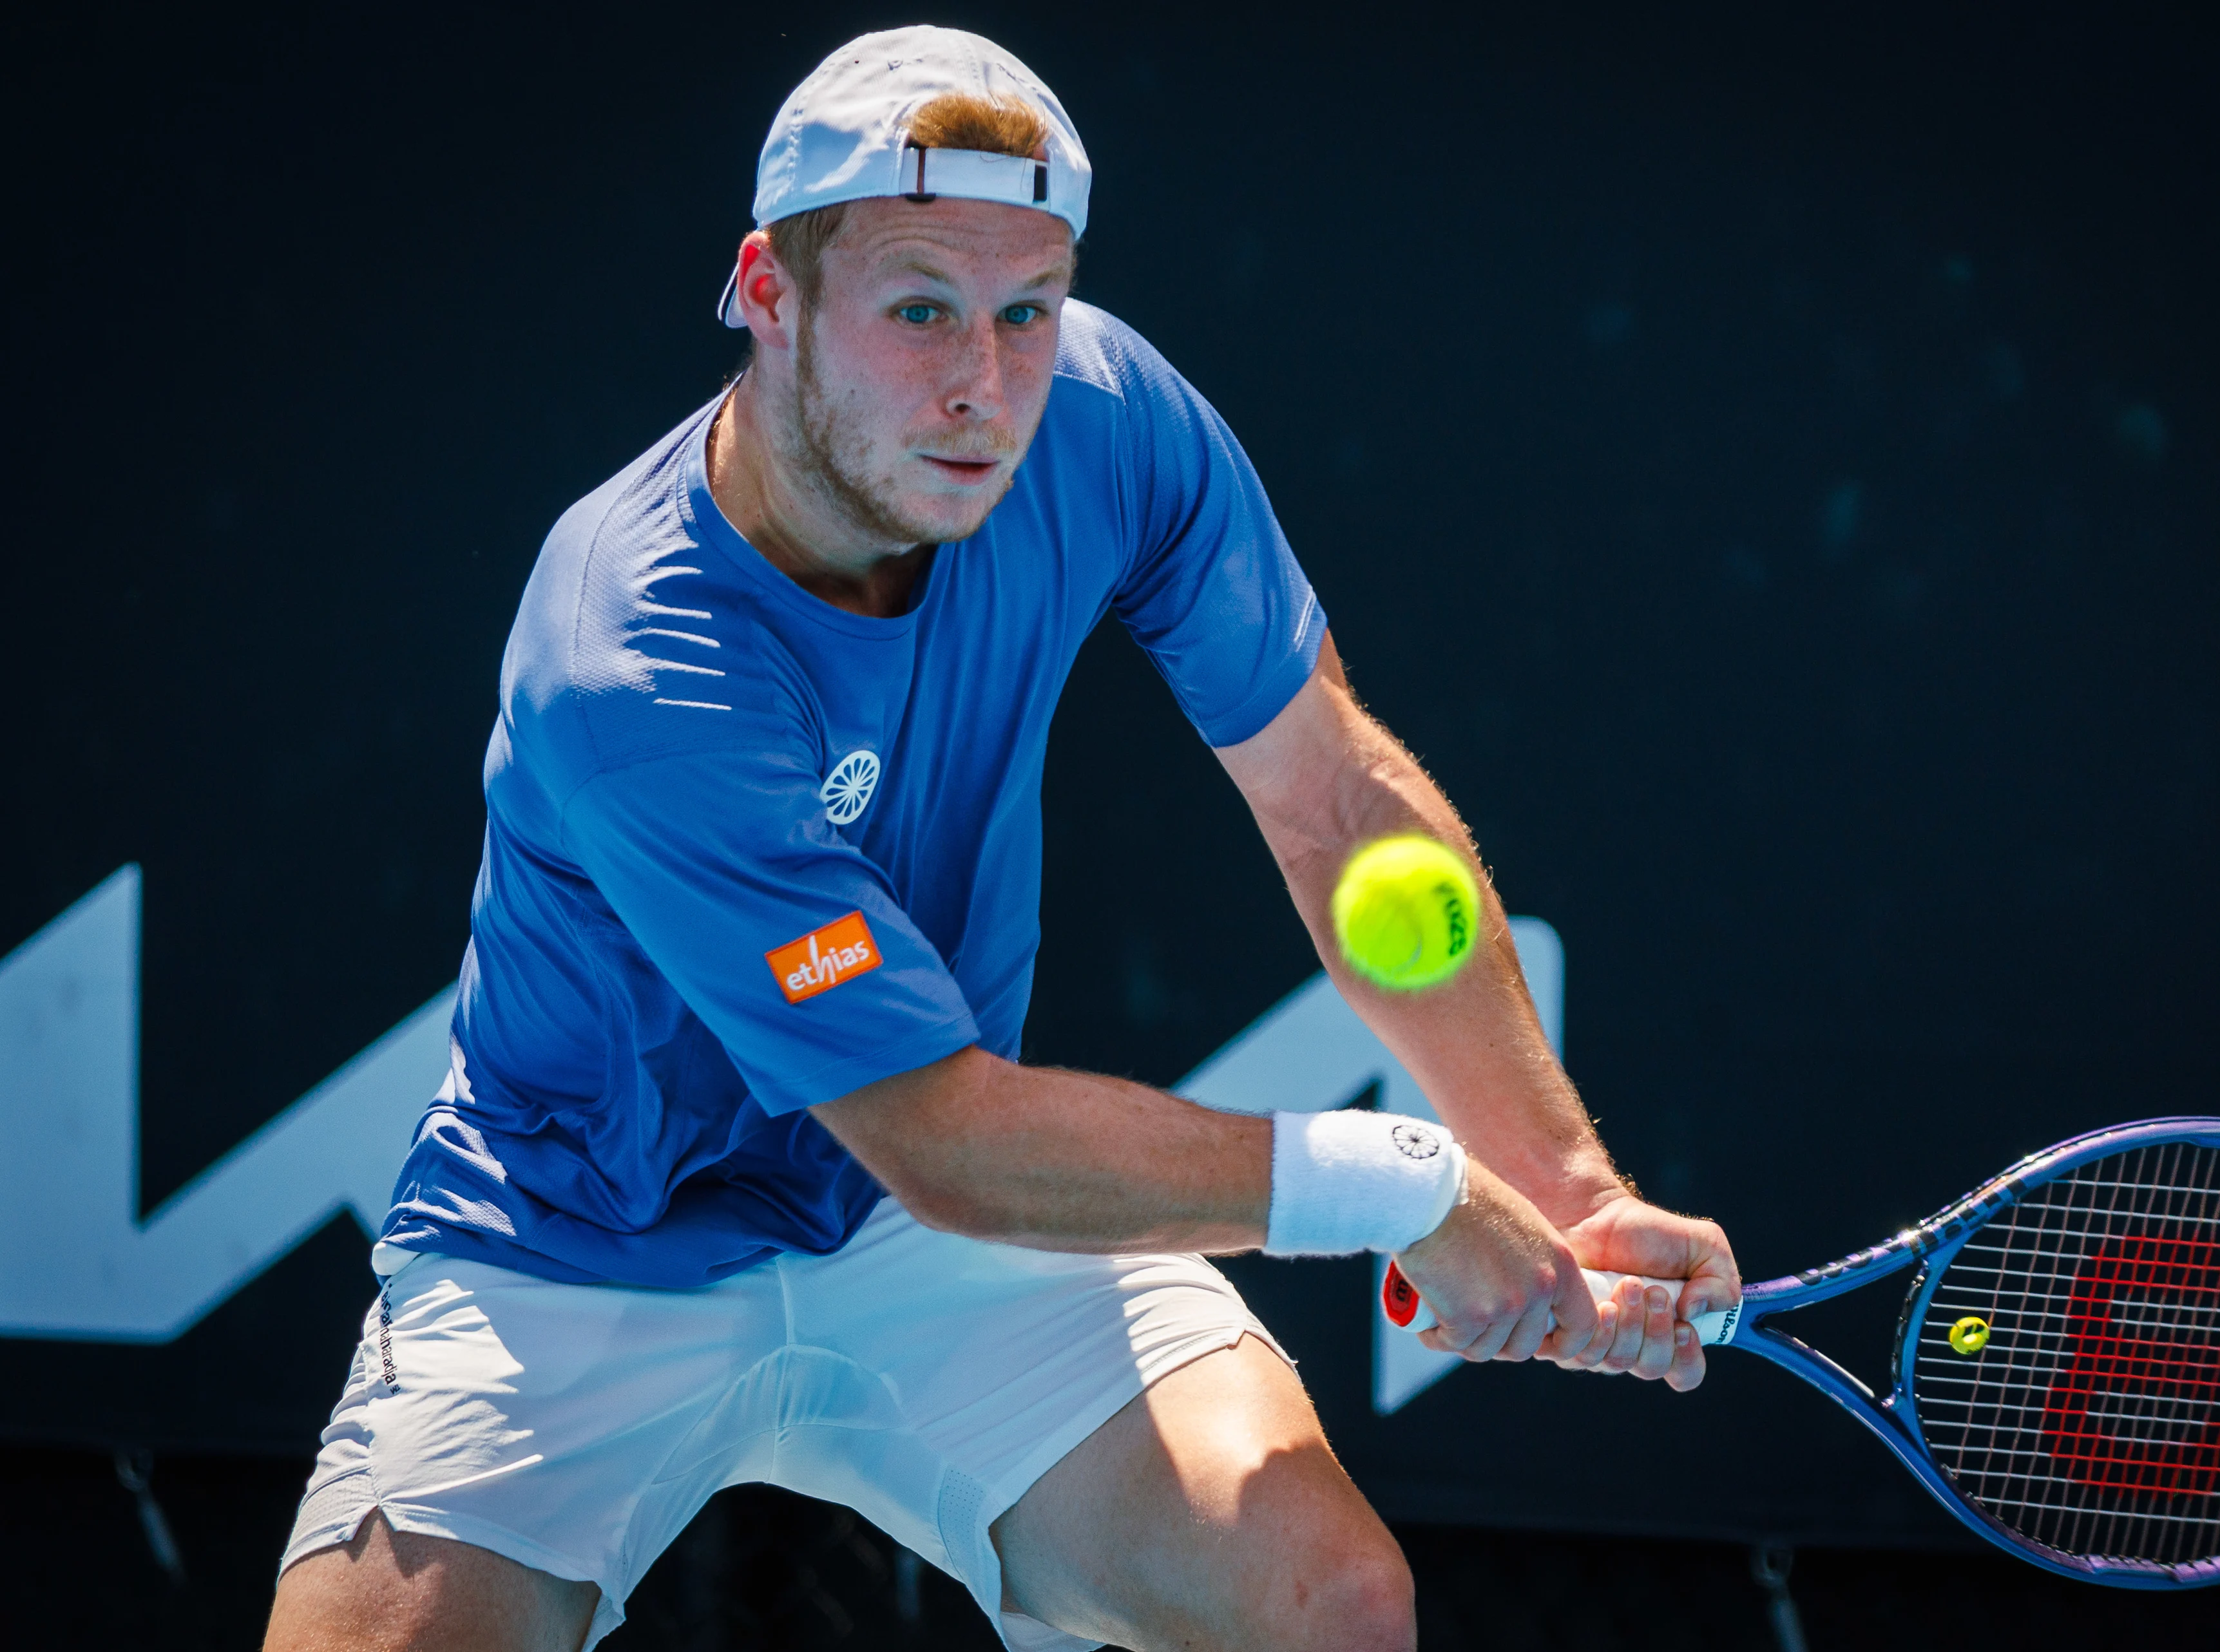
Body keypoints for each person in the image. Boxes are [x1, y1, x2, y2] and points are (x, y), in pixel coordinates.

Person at [263, 25, 1738, 1652]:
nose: (984, 381)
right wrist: (1403, 1180)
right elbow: (949, 1137)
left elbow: (1338, 808)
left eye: (1027, 309)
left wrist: (1566, 1187)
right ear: (768, 292)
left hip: (936, 1247)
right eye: (919, 310)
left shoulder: (1102, 420)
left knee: (1329, 1601)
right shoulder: (634, 659)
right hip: (577, 1242)